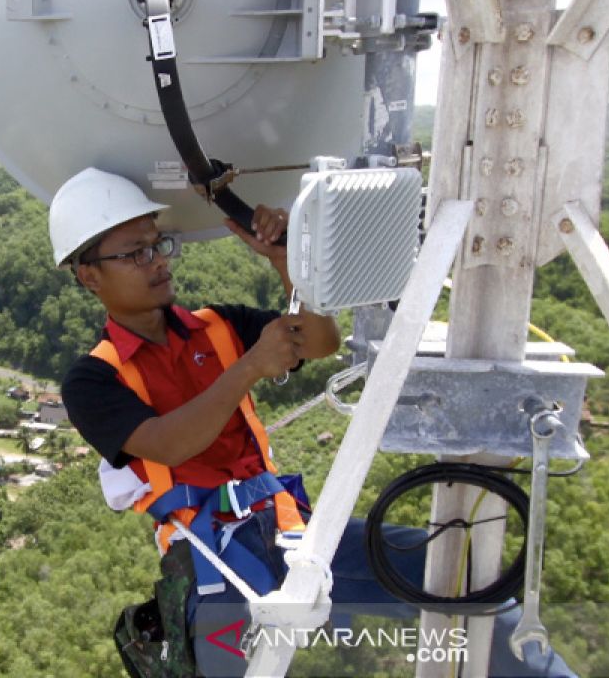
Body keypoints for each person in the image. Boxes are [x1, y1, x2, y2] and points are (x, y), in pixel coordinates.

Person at [52, 167, 574, 678]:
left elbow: (319, 341)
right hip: (214, 560)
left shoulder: (218, 325)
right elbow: (167, 445)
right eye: (136, 253)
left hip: (289, 531)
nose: (157, 262)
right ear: (89, 274)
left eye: (158, 245)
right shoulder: (93, 379)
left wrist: (290, 264)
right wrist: (251, 365)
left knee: (463, 576)